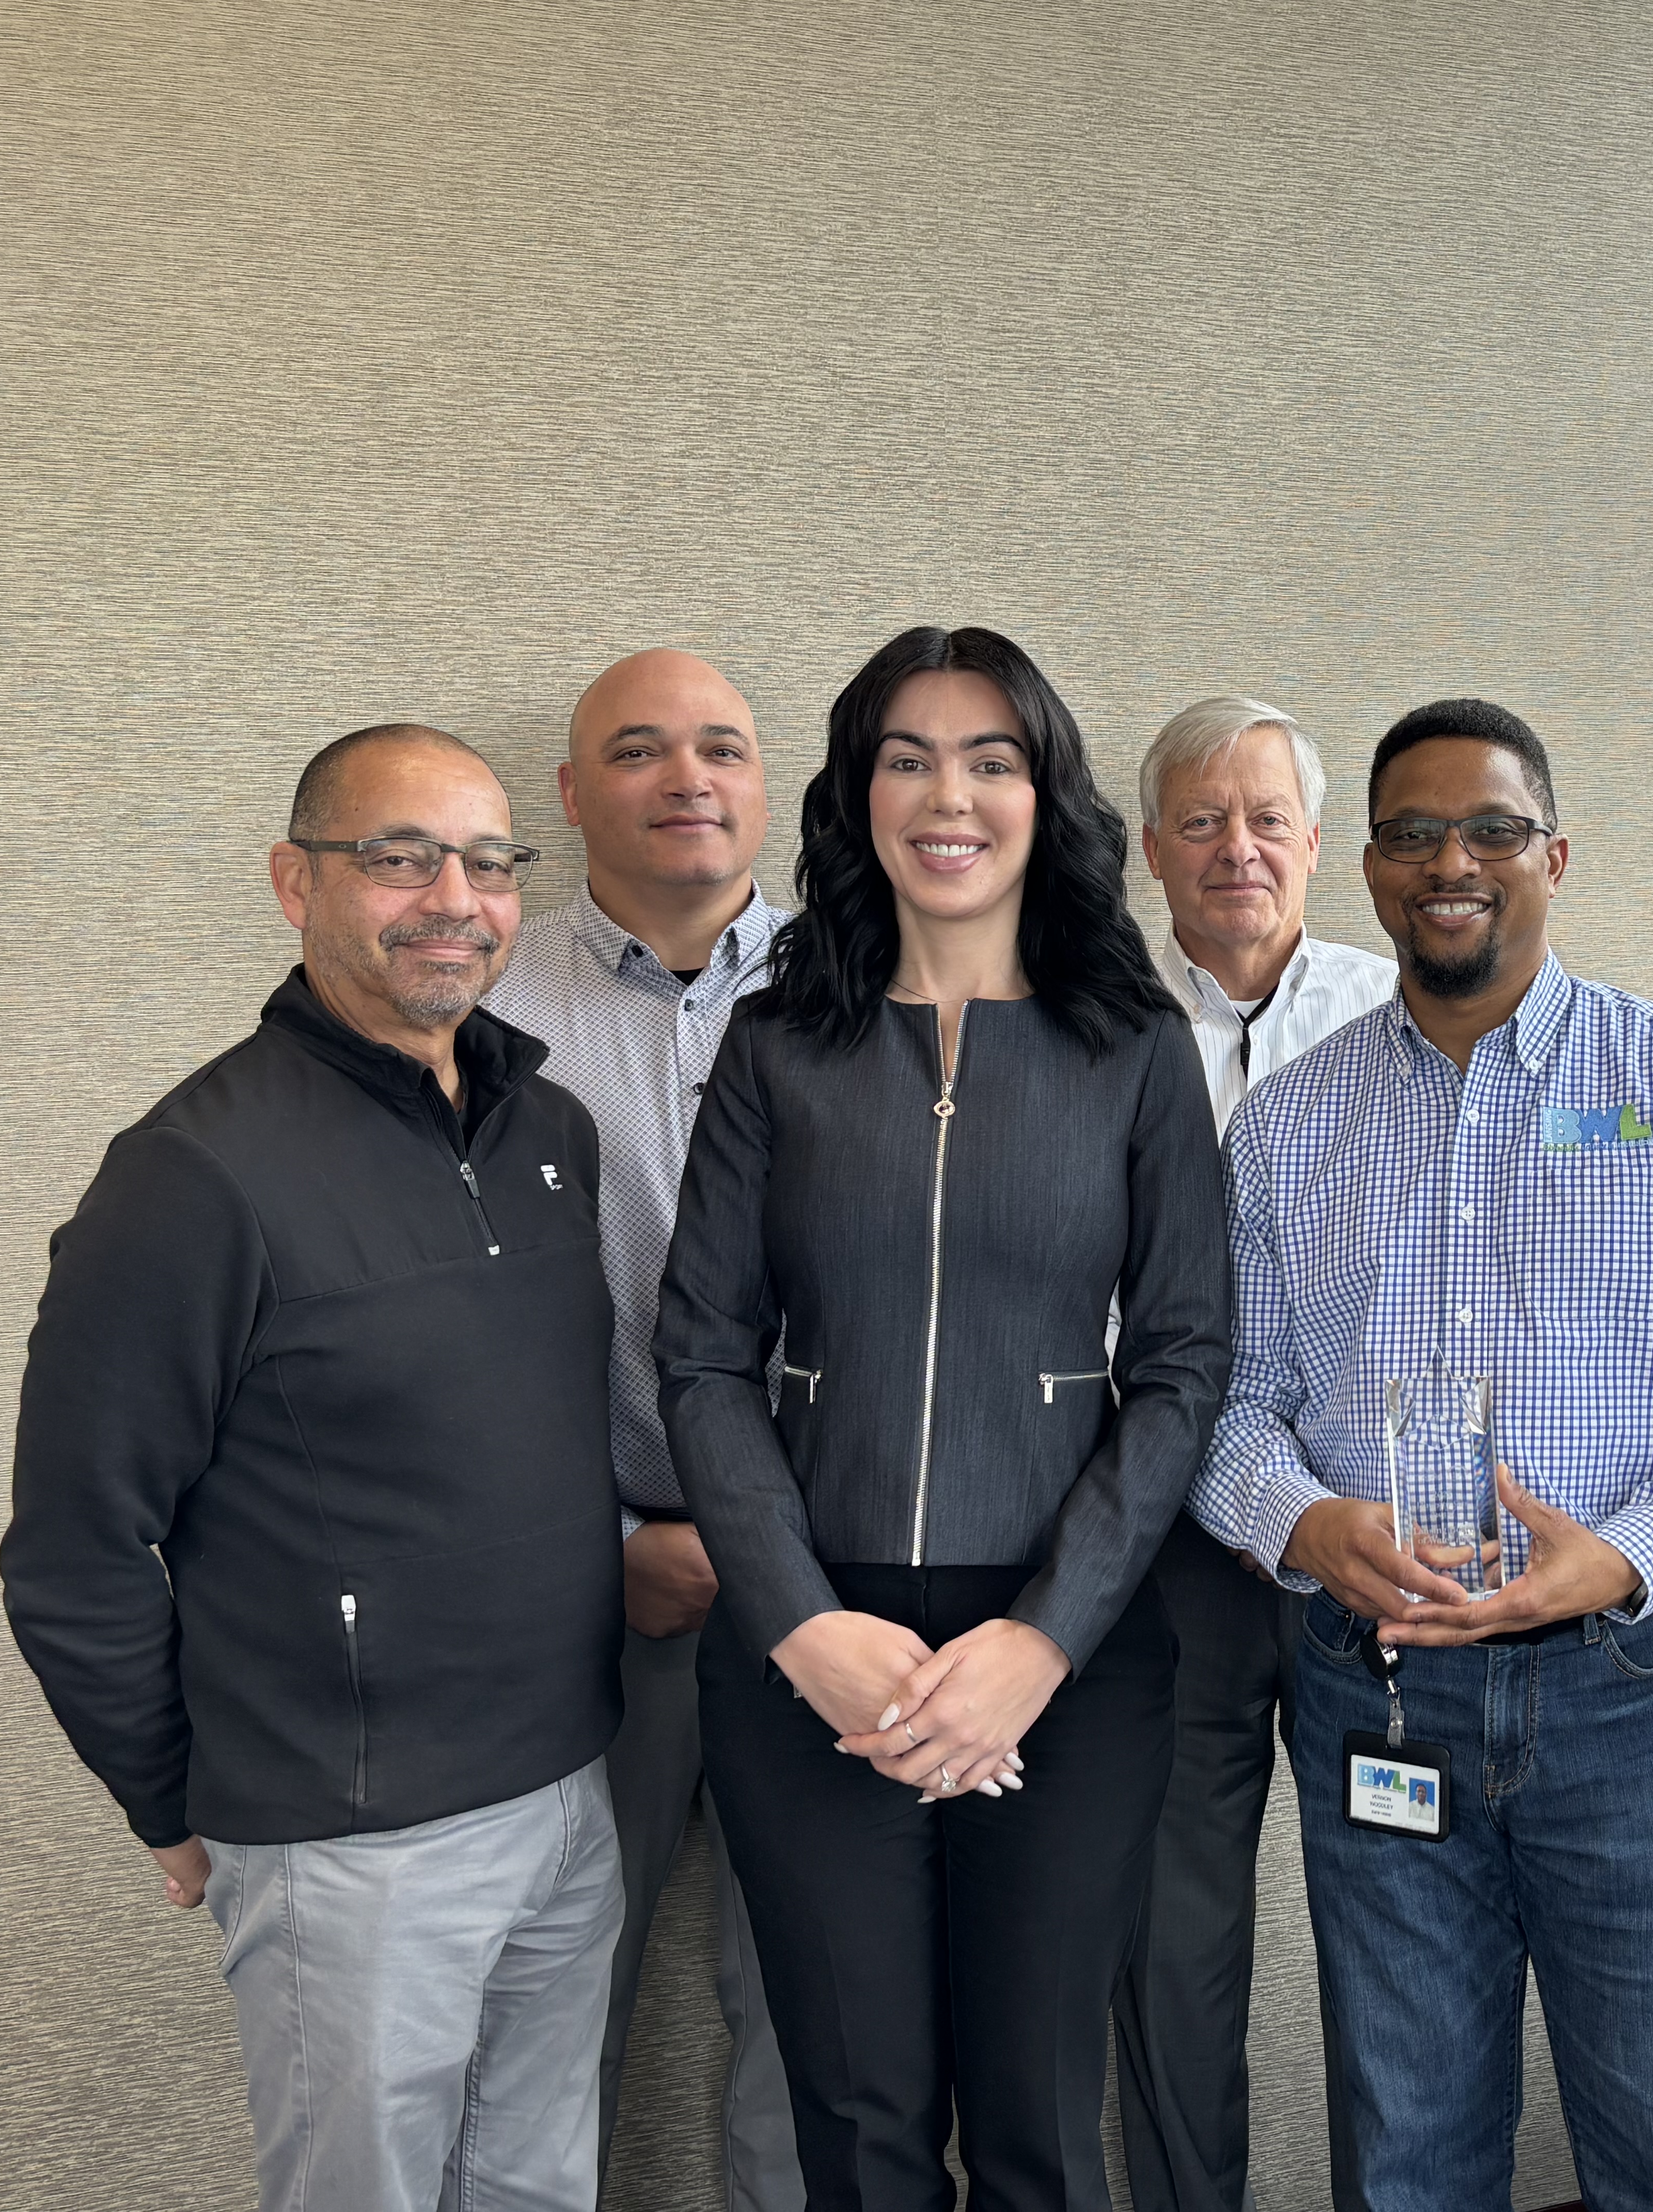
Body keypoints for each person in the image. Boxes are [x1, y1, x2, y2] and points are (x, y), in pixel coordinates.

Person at [1194, 697, 1653, 2212]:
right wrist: (1303, 1524)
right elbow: (1223, 1401)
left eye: (1493, 828)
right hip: (1378, 1687)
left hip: (1636, 1689)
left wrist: (1628, 1550)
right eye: (1415, 832)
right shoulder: (1291, 1125)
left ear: (1555, 853)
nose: (1454, 860)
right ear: (1366, 867)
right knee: (1411, 2157)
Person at [3, 723, 626, 2211]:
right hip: (352, 1848)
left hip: (567, 1797)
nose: (452, 898)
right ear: (297, 881)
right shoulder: (193, 1176)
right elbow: (75, 1548)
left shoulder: (549, 1132)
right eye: (398, 856)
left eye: (486, 862)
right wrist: (171, 1795)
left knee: (538, 2185)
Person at [656, 624, 1231, 2211]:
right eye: (907, 755)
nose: (948, 793)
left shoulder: (1134, 1049)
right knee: (860, 2121)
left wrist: (1039, 1645)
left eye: (992, 758)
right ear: (858, 793)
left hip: (1069, 1657)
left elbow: (1186, 1364)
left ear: (1046, 794)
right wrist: (802, 1626)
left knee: (1044, 2123)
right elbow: (701, 1354)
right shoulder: (779, 1043)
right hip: (811, 1648)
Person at [484, 647, 802, 2210]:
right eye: (638, 749)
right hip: (574, 1598)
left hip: (824, 1585)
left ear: (766, 783)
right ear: (568, 795)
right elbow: (439, 1340)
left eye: (722, 746)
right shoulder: (482, 996)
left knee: (809, 2022)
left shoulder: (875, 983)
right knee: (547, 2014)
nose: (689, 777)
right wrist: (613, 1545)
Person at [1117, 694, 1391, 2212]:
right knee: (1172, 1947)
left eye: (1267, 818)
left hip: (1364, 1553)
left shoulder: (1402, 1010)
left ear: (1314, 843)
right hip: (1161, 1558)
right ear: (1152, 845)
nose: (1237, 849)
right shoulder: (1079, 1015)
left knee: (1397, 1939)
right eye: (1203, 820)